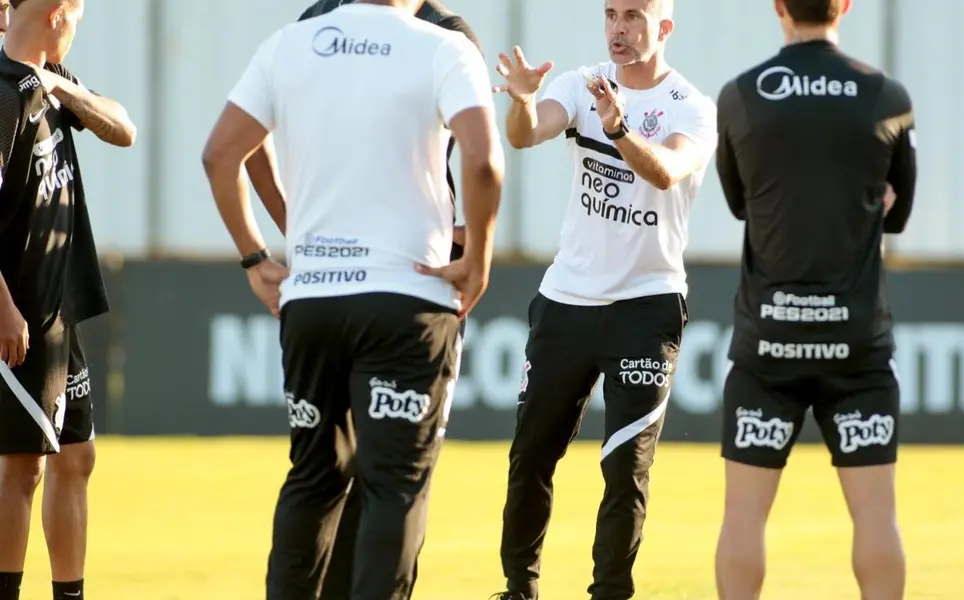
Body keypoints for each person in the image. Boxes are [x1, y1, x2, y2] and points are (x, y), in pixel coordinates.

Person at [200, 0, 503, 597]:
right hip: (405, 298)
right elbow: (485, 163)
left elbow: (220, 154)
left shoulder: (291, 41)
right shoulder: (444, 44)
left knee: (313, 478)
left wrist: (257, 257)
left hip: (312, 298)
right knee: (394, 485)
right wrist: (479, 259)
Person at [488, 1, 716, 598]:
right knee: (531, 455)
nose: (619, 28)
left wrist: (618, 130)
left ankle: (610, 592)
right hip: (566, 300)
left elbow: (666, 169)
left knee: (625, 468)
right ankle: (519, 588)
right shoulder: (580, 85)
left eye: (634, 15)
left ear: (663, 27)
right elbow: (524, 136)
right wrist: (520, 100)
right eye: (611, 14)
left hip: (646, 307)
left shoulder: (691, 106)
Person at [710, 1, 916, 598]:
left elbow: (738, 202)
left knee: (743, 518)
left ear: (779, 6)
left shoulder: (740, 95)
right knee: (877, 517)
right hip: (857, 345)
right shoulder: (888, 96)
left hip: (767, 340)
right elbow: (898, 214)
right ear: (845, 5)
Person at [0, 1, 136, 599]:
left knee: (75, 461)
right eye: (77, 17)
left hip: (61, 312)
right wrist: (3, 308)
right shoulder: (4, 96)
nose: (77, 30)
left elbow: (123, 128)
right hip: (18, 313)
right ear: (57, 13)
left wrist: (60, 85)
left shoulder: (48, 82)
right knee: (20, 468)